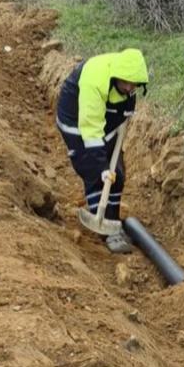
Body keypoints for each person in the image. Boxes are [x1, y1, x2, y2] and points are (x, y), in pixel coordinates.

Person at [55, 48, 148, 253]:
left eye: (133, 84)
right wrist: (101, 165)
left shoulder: (128, 79)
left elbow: (119, 109)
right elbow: (90, 127)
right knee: (96, 172)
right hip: (77, 119)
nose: (129, 87)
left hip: (105, 120)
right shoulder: (94, 83)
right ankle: (107, 230)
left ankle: (111, 220)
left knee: (117, 175)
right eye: (125, 82)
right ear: (116, 76)